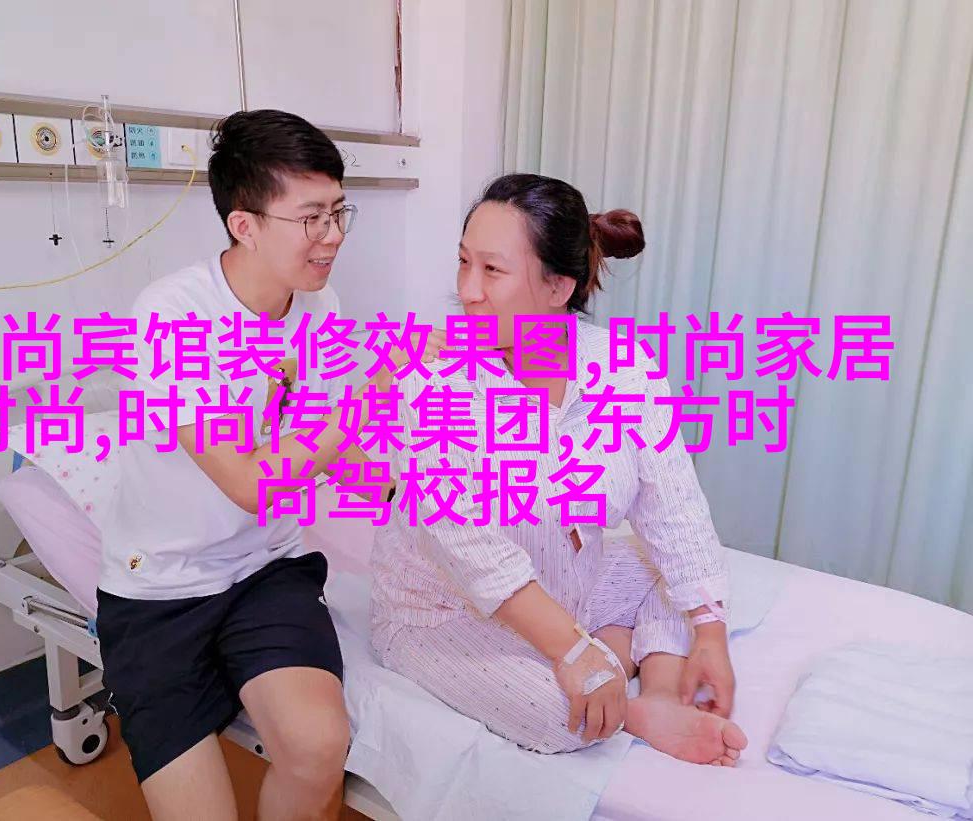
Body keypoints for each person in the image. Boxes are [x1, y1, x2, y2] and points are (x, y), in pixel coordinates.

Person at [96, 109, 414, 820]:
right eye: (311, 218)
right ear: (245, 224)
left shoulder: (319, 306)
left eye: (338, 212)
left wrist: (407, 489)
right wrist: (373, 392)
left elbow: (317, 444)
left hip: (265, 569)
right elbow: (251, 482)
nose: (333, 235)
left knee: (319, 745)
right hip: (161, 590)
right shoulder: (172, 316)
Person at [370, 172, 748, 765]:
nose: (467, 290)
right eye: (463, 263)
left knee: (673, 575)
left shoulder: (621, 366)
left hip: (564, 583)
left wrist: (710, 632)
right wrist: (575, 654)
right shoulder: (434, 383)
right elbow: (470, 549)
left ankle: (654, 694)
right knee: (558, 715)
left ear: (558, 286)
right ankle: (624, 694)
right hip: (443, 611)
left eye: (491, 270)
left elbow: (673, 504)